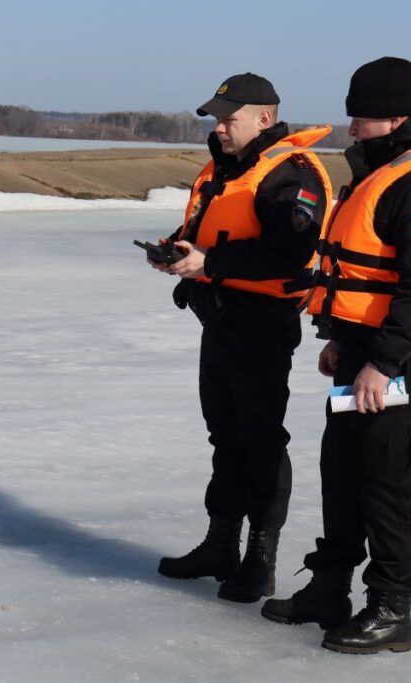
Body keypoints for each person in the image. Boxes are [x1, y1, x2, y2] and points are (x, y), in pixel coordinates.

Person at [261, 57, 411, 654]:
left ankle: (390, 609)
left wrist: (382, 365)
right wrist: (341, 339)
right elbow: (363, 273)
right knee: (342, 470)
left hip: (406, 354)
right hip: (364, 346)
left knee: (389, 481)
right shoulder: (382, 170)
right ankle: (329, 588)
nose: (352, 126)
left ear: (397, 118)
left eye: (361, 117)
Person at [151, 73, 332, 603]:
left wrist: (210, 263)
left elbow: (289, 253)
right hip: (220, 318)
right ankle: (220, 544)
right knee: (225, 435)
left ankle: (260, 557)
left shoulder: (291, 173)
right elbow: (213, 228)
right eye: (216, 119)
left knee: (260, 438)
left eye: (229, 119)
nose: (220, 128)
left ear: (264, 118)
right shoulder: (227, 167)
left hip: (263, 323)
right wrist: (178, 249)